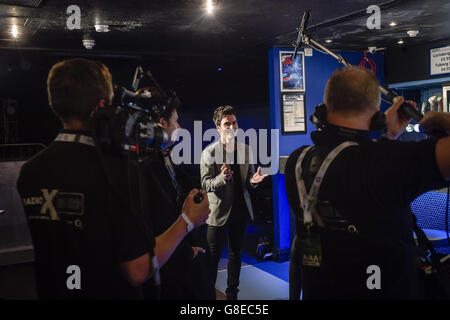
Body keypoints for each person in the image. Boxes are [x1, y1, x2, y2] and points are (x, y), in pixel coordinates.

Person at [16, 58, 210, 299]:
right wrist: (188, 221)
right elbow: (138, 269)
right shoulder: (114, 169)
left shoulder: (30, 171)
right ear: (102, 106)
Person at [285, 67, 450, 300]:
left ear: (324, 109)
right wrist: (442, 119)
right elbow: (367, 165)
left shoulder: (297, 161)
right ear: (376, 115)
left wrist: (387, 137)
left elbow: (352, 163)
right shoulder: (387, 162)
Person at [141, 95, 215, 299]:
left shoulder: (164, 159)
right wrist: (184, 251)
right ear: (162, 124)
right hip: (173, 271)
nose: (179, 126)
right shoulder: (144, 168)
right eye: (175, 121)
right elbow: (158, 220)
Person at [200, 105, 268, 300]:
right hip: (218, 213)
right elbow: (205, 183)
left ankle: (232, 297)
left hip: (240, 211)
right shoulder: (209, 152)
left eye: (234, 122)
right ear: (218, 127)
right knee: (212, 260)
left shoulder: (246, 150)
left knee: (235, 255)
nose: (231, 127)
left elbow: (248, 181)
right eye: (226, 124)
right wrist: (222, 178)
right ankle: (207, 296)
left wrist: (253, 182)